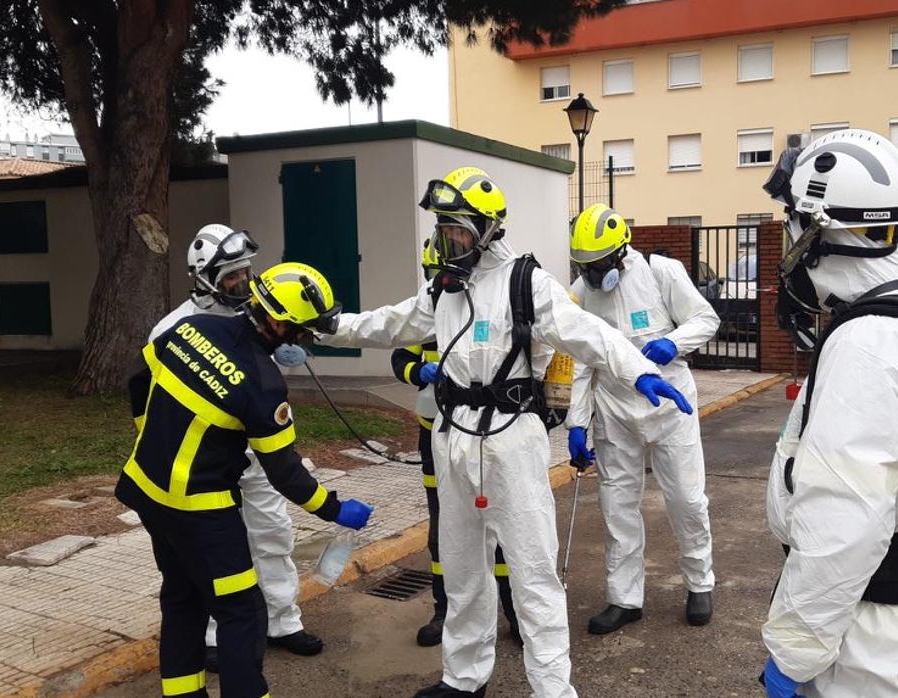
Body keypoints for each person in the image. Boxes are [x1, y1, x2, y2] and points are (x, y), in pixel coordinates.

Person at [321, 166, 693, 698]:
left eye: (459, 232)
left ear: (488, 229)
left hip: (511, 441)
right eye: (444, 231)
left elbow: (588, 335)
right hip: (453, 438)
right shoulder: (445, 290)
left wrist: (642, 371)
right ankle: (464, 677)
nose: (449, 242)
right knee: (463, 566)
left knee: (532, 572)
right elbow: (389, 323)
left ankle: (552, 688)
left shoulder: (527, 283)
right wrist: (327, 327)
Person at [758, 129, 898, 697]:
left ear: (820, 231)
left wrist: (794, 651)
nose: (788, 239)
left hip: (872, 650)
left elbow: (843, 524)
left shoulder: (870, 344)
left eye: (793, 223)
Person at [117, 261, 374, 698]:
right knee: (243, 612)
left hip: (147, 491)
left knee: (182, 599)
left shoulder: (190, 328)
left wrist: (150, 432)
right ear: (277, 322)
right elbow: (285, 473)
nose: (305, 342)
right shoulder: (262, 383)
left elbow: (140, 378)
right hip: (200, 510)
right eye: (304, 331)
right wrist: (334, 508)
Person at [149, 224, 323, 672]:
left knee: (273, 533)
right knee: (216, 552)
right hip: (205, 465)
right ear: (204, 276)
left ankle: (283, 621)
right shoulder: (172, 328)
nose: (243, 283)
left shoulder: (257, 313)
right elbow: (150, 396)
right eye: (231, 276)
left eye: (246, 272)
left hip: (257, 452)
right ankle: (211, 636)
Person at [565, 204, 718, 635]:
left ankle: (700, 582)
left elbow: (706, 318)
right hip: (614, 412)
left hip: (670, 408)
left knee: (687, 500)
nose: (594, 276)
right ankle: (624, 598)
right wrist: (576, 423)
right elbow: (580, 362)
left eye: (599, 266)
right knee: (618, 509)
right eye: (585, 267)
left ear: (620, 251)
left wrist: (673, 342)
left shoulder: (660, 272)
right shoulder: (579, 293)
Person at [391, 241, 520, 648]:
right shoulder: (426, 309)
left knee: (498, 526)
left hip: (483, 433)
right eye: (433, 273)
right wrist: (418, 371)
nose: (440, 280)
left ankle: (513, 612)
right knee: (443, 528)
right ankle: (444, 611)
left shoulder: (481, 308)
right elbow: (399, 358)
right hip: (435, 437)